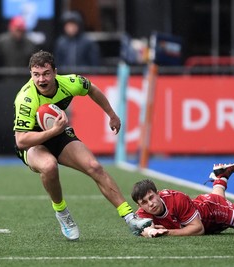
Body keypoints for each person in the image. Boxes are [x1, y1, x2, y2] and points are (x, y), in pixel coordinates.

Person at [13, 50, 152, 240]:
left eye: (46, 73)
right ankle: (62, 212)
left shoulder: (70, 82)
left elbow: (93, 89)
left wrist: (111, 114)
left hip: (58, 133)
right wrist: (53, 131)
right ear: (30, 74)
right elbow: (20, 141)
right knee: (49, 166)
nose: (41, 79)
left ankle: (130, 217)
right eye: (36, 74)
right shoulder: (26, 98)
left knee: (94, 167)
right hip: (33, 142)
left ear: (55, 72)